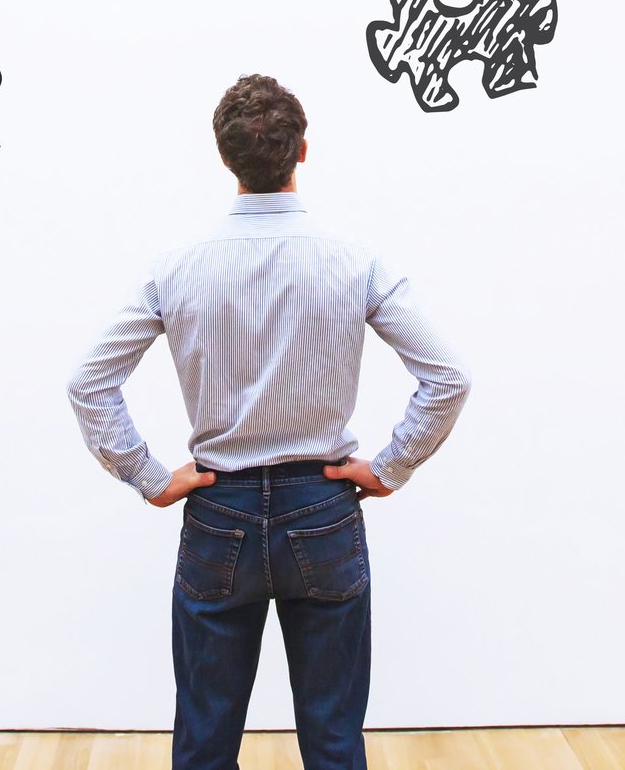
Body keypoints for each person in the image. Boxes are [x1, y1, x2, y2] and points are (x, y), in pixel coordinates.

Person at [66, 74, 472, 770]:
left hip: (217, 507)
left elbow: (88, 381)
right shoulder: (353, 260)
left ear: (224, 158)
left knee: (204, 736)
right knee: (334, 737)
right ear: (302, 151)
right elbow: (447, 376)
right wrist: (391, 465)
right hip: (322, 504)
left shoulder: (177, 267)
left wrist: (148, 476)